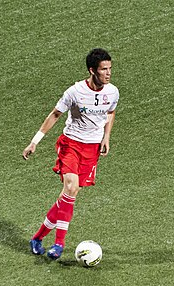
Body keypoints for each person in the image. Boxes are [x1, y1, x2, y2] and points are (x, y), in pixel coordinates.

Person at [22, 48, 119, 260]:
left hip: (91, 149)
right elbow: (55, 114)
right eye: (104, 69)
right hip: (71, 145)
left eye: (110, 68)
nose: (108, 73)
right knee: (71, 187)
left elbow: (110, 112)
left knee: (68, 195)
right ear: (92, 70)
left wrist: (106, 137)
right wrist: (34, 142)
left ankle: (37, 238)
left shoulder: (112, 92)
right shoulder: (74, 91)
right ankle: (59, 243)